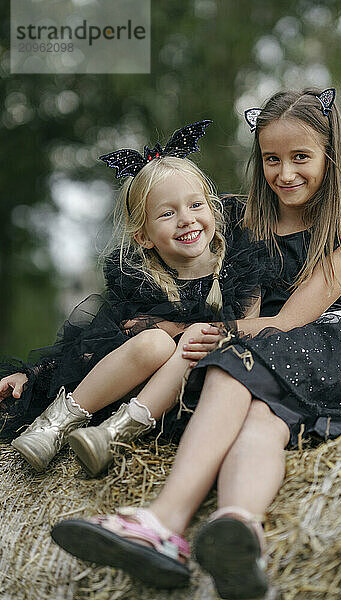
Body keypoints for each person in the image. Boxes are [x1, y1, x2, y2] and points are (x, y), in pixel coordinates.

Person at [51, 89, 341, 599]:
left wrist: (219, 336)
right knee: (260, 425)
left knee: (228, 363)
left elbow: (289, 321)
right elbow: (214, 289)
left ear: (331, 155)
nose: (285, 173)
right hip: (267, 356)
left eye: (301, 157)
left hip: (330, 348)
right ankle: (240, 529)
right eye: (272, 159)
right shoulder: (243, 221)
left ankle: (164, 520)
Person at [0, 120, 261, 476]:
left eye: (195, 205)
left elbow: (251, 330)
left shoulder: (242, 268)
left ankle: (112, 437)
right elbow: (90, 346)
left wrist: (183, 331)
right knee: (152, 342)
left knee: (192, 343)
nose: (186, 220)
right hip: (128, 386)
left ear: (212, 209)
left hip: (195, 392)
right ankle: (54, 426)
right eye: (168, 213)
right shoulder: (140, 283)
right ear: (144, 236)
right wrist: (32, 376)